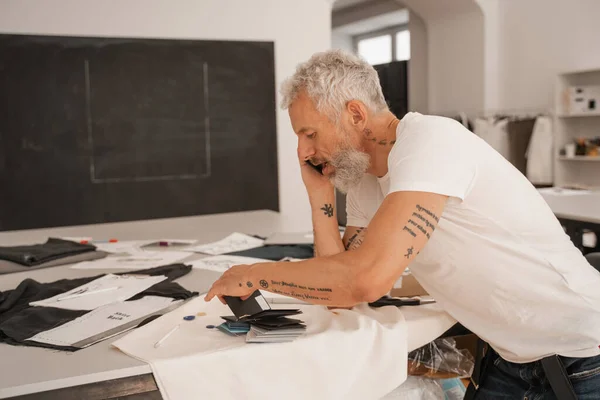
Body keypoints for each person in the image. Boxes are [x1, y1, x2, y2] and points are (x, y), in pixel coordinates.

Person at [205, 50, 600, 398]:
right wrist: (320, 197)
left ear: (356, 114)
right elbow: (341, 291)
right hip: (515, 358)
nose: (304, 151)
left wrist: (257, 275)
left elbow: (366, 279)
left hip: (582, 355)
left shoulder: (431, 141)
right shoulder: (365, 181)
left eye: (309, 133)